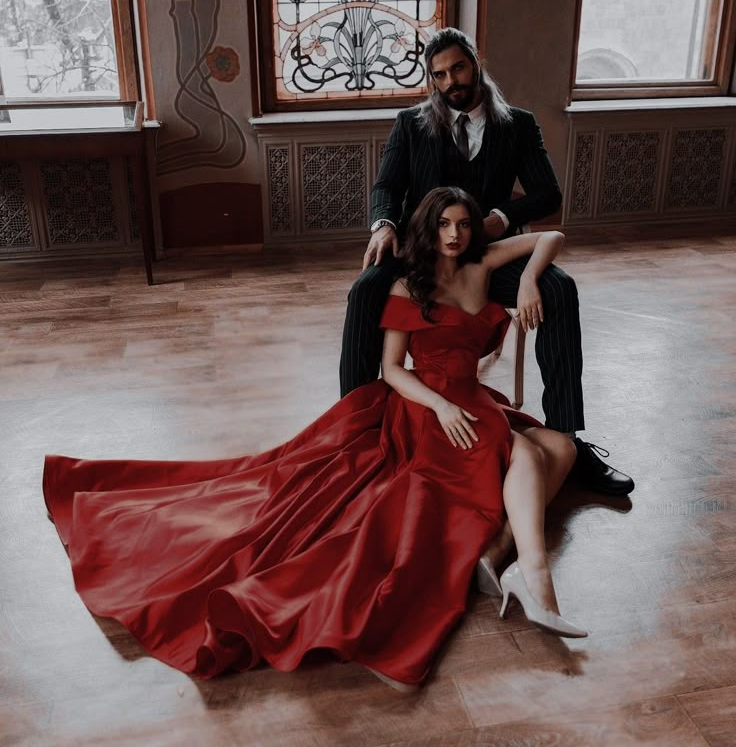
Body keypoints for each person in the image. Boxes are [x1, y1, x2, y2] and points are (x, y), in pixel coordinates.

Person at [43, 188, 585, 693]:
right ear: (427, 228)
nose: (454, 234)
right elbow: (393, 370)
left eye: (464, 225)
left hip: (474, 402)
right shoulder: (408, 285)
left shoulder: (482, 265)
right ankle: (531, 575)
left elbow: (550, 236)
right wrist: (440, 406)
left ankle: (500, 557)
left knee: (560, 448)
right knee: (531, 451)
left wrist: (533, 278)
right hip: (428, 407)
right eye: (443, 224)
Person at [340, 26, 634, 497]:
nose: (450, 80)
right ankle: (352, 433)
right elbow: (387, 188)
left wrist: (502, 221)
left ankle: (569, 441)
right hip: (422, 249)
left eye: (458, 67)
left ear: (475, 62)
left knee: (560, 288)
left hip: (485, 256)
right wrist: (384, 225)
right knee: (365, 290)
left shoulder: (517, 124)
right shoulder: (411, 123)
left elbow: (548, 195)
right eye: (439, 75)